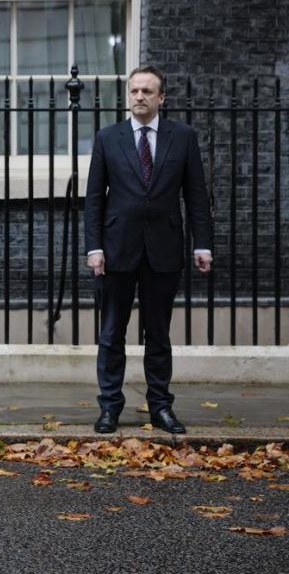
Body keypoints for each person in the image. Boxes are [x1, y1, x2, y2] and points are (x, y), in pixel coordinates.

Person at [84, 65, 213, 435]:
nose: (139, 96)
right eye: (134, 90)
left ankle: (160, 408)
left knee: (158, 334)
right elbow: (95, 199)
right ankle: (109, 407)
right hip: (116, 248)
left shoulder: (183, 137)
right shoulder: (109, 138)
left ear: (161, 98)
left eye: (147, 91)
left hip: (164, 249)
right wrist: (94, 247)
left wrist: (202, 243)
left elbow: (196, 195)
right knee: (111, 333)